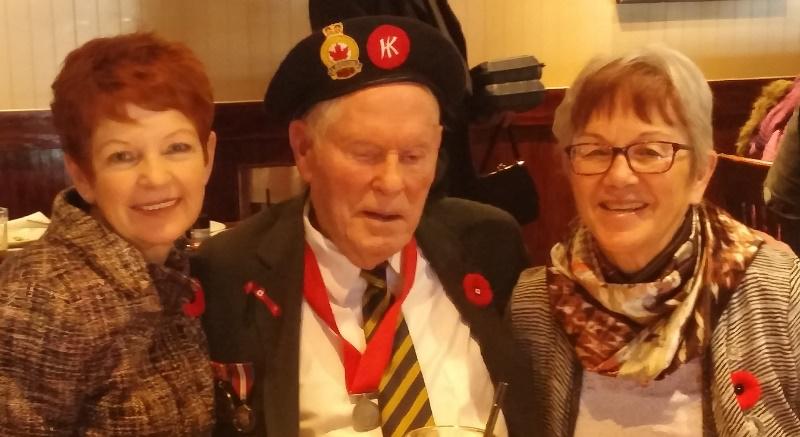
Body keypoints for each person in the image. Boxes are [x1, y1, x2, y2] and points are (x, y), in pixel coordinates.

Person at [195, 15, 533, 437]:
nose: (392, 183)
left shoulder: (489, 243)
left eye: (414, 156)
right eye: (365, 154)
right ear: (304, 149)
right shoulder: (229, 271)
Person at [510, 46, 800, 436]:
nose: (619, 177)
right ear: (569, 168)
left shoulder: (780, 296)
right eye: (594, 150)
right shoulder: (533, 308)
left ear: (700, 173)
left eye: (650, 151)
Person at [0, 33, 217, 435]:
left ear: (208, 157)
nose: (155, 176)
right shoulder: (43, 298)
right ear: (83, 175)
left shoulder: (170, 269)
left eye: (177, 148)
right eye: (123, 156)